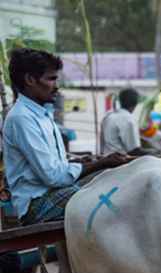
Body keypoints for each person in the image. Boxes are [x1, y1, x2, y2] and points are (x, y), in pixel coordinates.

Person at [2, 48, 129, 225]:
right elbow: (52, 176)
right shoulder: (21, 118)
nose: (56, 85)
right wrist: (100, 163)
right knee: (112, 188)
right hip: (37, 205)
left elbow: (54, 167)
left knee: (111, 176)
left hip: (54, 192)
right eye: (51, 78)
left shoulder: (41, 114)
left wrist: (85, 163)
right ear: (30, 80)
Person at [100, 88, 147, 155]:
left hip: (105, 158)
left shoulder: (108, 116)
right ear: (135, 104)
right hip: (120, 161)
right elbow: (133, 151)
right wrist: (155, 153)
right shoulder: (128, 119)